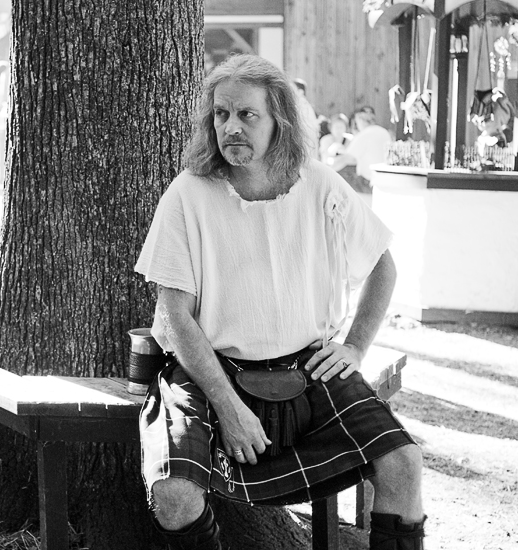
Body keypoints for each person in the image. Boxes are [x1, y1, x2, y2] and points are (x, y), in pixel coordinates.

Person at [135, 55, 425, 550]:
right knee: (175, 493)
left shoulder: (321, 185)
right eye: (221, 114)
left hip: (310, 367)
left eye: (247, 115)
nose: (231, 127)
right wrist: (227, 406)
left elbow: (383, 266)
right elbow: (175, 314)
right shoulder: (188, 194)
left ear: (280, 122)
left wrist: (355, 347)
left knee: (403, 465)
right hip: (209, 372)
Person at [332, 108, 391, 198]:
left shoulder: (364, 134)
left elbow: (347, 159)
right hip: (384, 181)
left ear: (360, 120)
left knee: (337, 178)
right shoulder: (384, 132)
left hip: (367, 182)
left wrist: (327, 169)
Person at [320, 113, 356, 185]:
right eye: (336, 127)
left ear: (345, 128)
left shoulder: (351, 139)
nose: (339, 130)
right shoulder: (325, 140)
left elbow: (354, 159)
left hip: (348, 174)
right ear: (331, 128)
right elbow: (325, 160)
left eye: (341, 127)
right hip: (330, 174)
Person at [293, 77, 319, 159]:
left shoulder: (303, 106)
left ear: (300, 92)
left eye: (292, 89)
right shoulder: (298, 105)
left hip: (306, 142)